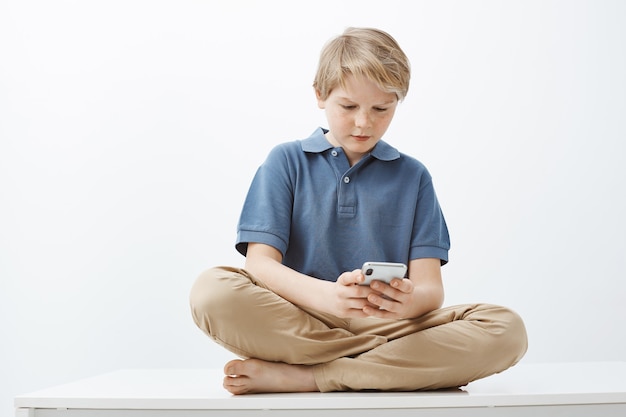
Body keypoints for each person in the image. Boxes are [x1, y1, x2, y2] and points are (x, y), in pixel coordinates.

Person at [189, 27, 527, 395]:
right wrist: (329, 298)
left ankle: (311, 376)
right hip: (302, 321)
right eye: (348, 107)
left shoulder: (414, 176)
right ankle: (384, 369)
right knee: (211, 290)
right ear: (320, 94)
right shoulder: (285, 161)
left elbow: (431, 290)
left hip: (389, 328)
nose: (364, 123)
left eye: (381, 109)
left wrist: (404, 301)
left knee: (505, 329)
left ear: (398, 101)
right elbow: (259, 265)